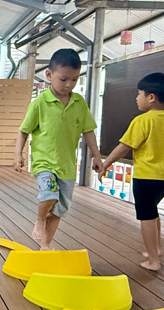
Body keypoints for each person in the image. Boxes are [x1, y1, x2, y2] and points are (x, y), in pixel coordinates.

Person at [97, 72, 164, 272]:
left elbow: (124, 146)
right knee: (152, 211)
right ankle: (156, 249)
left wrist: (106, 164)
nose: (136, 98)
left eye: (139, 93)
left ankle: (153, 261)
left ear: (151, 97)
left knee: (146, 216)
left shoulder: (143, 121)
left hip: (147, 177)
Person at [13, 48, 104, 250]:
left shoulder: (79, 103)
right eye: (63, 79)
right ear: (49, 75)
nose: (69, 84)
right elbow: (24, 130)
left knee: (59, 210)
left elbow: (88, 131)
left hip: (67, 167)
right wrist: (18, 154)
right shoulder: (40, 102)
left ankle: (45, 245)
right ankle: (39, 220)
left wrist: (97, 156)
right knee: (50, 194)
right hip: (45, 162)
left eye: (74, 79)